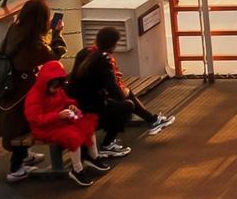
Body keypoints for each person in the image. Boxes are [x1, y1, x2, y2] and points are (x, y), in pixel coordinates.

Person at [68, 26, 175, 156]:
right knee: (127, 104)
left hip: (79, 102)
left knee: (125, 93)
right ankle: (108, 143)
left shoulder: (84, 53)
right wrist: (121, 91)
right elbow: (115, 93)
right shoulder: (103, 62)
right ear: (112, 45)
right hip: (90, 108)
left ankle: (153, 120)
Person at [0, 0, 68, 182]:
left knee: (20, 123)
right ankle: (15, 168)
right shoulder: (33, 42)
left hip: (9, 86)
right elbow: (53, 56)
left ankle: (25, 156)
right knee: (21, 126)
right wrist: (57, 34)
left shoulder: (15, 30)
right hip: (21, 90)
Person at [24, 60, 106, 187]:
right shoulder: (34, 96)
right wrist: (58, 115)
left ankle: (93, 156)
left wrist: (72, 105)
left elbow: (66, 100)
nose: (56, 88)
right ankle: (77, 169)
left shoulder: (57, 90)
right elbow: (35, 118)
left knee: (87, 124)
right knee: (73, 136)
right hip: (44, 129)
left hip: (60, 122)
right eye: (54, 85)